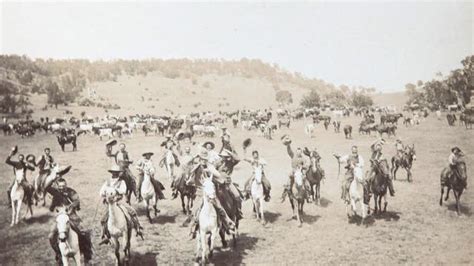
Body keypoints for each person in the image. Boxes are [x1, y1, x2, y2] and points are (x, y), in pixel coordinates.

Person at [189, 151, 236, 240]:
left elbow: (218, 175)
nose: (203, 161)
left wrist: (214, 173)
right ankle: (193, 230)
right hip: (200, 193)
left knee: (220, 207)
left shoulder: (210, 168)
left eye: (205, 160)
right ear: (199, 159)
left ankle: (228, 224)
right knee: (195, 210)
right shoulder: (196, 168)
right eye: (202, 159)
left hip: (210, 193)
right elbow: (191, 176)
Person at [47, 178, 92, 264]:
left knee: (84, 232)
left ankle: (87, 255)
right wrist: (53, 178)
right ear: (57, 186)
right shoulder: (55, 193)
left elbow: (76, 200)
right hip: (60, 216)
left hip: (71, 216)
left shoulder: (71, 192)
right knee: (51, 236)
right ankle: (59, 254)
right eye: (60, 186)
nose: (61, 188)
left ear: (66, 185)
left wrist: (71, 206)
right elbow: (47, 187)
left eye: (63, 186)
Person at [99, 165, 143, 245]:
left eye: (116, 173)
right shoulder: (107, 181)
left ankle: (137, 227)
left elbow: (123, 190)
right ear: (111, 173)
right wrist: (105, 193)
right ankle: (105, 235)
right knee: (103, 218)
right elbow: (101, 191)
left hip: (119, 201)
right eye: (113, 173)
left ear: (118, 173)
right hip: (109, 203)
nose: (114, 174)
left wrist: (115, 190)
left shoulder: (121, 181)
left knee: (131, 211)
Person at [281, 135, 311, 202]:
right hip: (294, 171)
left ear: (301, 152)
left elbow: (306, 165)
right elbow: (289, 151)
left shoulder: (303, 158)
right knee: (288, 182)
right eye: (298, 151)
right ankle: (283, 196)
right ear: (296, 152)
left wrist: (302, 167)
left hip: (301, 172)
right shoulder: (293, 155)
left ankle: (308, 196)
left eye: (300, 152)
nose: (299, 153)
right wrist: (288, 144)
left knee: (306, 183)